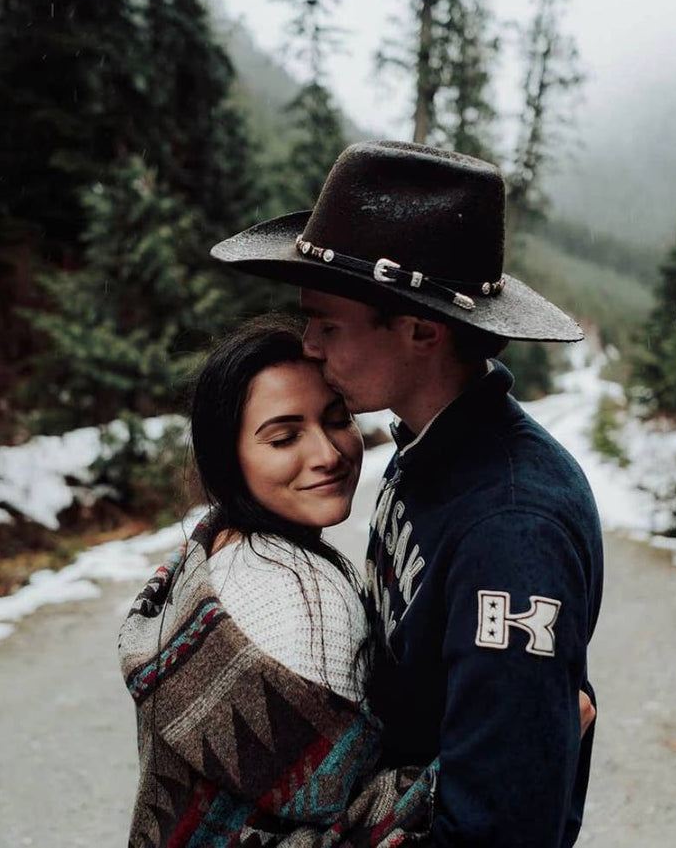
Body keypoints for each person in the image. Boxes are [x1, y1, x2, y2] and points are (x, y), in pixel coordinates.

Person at [210, 140, 604, 847]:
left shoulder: (511, 527)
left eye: (328, 323)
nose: (308, 345)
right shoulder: (428, 452)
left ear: (421, 329)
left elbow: (498, 831)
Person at [118, 318, 435, 848]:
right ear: (229, 457)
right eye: (284, 437)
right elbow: (336, 812)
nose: (328, 455)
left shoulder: (213, 552)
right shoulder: (302, 600)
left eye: (337, 420)